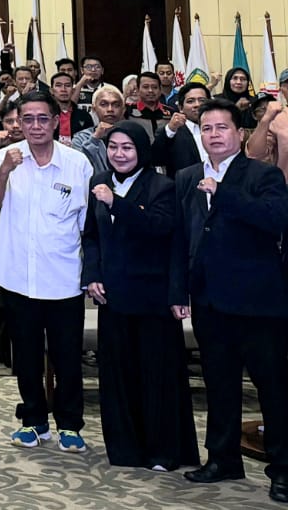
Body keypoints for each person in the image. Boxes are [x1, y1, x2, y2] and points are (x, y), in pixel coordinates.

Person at [171, 99, 288, 501]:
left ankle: (283, 468)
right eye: (206, 128)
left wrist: (223, 194)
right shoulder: (188, 176)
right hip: (209, 302)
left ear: (239, 133)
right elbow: (181, 237)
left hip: (259, 304)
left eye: (222, 127)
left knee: (273, 389)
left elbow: (275, 220)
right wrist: (179, 291)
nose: (214, 135)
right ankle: (222, 459)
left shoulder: (263, 174)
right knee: (219, 385)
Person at [81, 121, 200, 471]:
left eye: (127, 147)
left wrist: (116, 203)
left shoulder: (162, 186)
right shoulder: (98, 181)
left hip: (152, 297)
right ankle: (126, 450)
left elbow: (160, 229)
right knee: (118, 375)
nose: (119, 154)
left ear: (141, 150)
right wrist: (92, 275)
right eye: (113, 147)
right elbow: (91, 235)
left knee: (156, 375)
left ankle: (163, 451)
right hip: (113, 295)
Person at [0, 92, 93, 452]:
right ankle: (33, 420)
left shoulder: (77, 163)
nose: (34, 126)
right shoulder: (3, 158)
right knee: (26, 356)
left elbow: (88, 223)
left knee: (67, 356)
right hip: (17, 276)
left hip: (64, 277)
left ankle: (70, 424)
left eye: (42, 118)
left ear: (56, 121)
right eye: (26, 119)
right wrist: (4, 170)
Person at [154, 82, 210, 177]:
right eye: (190, 101)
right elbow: (157, 159)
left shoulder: (219, 130)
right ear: (180, 108)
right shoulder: (171, 133)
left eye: (202, 100)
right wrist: (170, 130)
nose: (197, 105)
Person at [72, 85, 127, 175]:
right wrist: (95, 139)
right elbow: (78, 167)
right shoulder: (81, 138)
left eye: (116, 105)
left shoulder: (132, 135)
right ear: (94, 109)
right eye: (103, 104)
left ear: (123, 109)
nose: (110, 109)